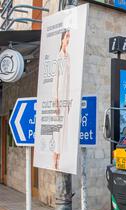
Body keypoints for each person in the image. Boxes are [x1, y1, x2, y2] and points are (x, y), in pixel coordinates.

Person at [52, 30, 71, 170]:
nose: (68, 39)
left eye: (69, 36)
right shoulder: (58, 57)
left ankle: (60, 158)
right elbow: (55, 80)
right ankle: (55, 158)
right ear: (61, 40)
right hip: (59, 98)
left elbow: (69, 80)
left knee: (64, 128)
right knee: (57, 129)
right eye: (67, 36)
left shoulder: (68, 56)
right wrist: (56, 100)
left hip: (66, 98)